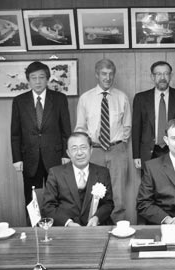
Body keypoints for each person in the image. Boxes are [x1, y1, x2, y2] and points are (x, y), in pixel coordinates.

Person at [74, 59, 135, 224]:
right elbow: (80, 127)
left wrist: (120, 144)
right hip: (94, 150)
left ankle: (118, 227)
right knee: (93, 192)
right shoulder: (85, 98)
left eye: (110, 74)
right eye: (103, 74)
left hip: (117, 150)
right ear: (97, 75)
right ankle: (93, 225)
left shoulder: (122, 97)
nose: (107, 78)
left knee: (118, 193)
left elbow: (127, 125)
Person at [11, 61, 71, 210]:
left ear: (48, 78)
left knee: (58, 195)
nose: (37, 81)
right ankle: (34, 230)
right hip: (29, 158)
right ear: (28, 80)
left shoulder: (59, 99)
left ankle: (59, 229)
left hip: (55, 156)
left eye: (41, 77)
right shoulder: (19, 101)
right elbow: (15, 133)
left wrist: (66, 153)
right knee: (31, 199)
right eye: (33, 78)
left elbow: (66, 130)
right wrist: (17, 158)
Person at [42, 132, 115, 227]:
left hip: (96, 228)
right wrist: (68, 223)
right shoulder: (56, 173)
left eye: (83, 147)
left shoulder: (103, 172)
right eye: (74, 149)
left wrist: (97, 218)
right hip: (66, 231)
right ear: (68, 153)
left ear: (91, 150)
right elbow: (48, 206)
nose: (79, 153)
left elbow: (108, 204)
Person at [132, 61, 175, 166]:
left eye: (166, 73)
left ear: (171, 76)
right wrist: (136, 155)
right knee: (149, 182)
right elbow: (136, 128)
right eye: (158, 74)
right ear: (152, 77)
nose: (162, 77)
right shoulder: (140, 98)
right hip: (149, 152)